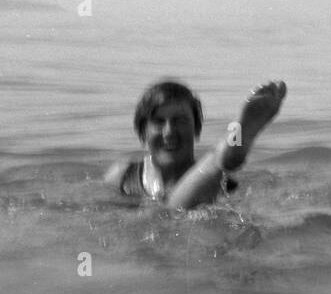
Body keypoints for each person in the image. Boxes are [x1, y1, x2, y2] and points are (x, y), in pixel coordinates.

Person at [105, 78, 286, 209]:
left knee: (169, 212)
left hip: (205, 189)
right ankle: (228, 146)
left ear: (197, 129)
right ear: (143, 130)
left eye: (180, 121)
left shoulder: (222, 185)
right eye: (159, 122)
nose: (169, 132)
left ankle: (228, 149)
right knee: (165, 212)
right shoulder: (122, 176)